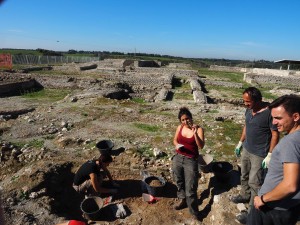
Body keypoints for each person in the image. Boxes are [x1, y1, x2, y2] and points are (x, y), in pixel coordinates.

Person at [248, 94, 300, 225]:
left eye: (278, 118)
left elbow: (290, 185)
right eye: (272, 118)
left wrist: (263, 199)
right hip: (289, 207)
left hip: (272, 208)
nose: (273, 122)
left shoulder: (290, 143)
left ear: (295, 117)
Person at [231, 87, 279, 224]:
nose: (245, 104)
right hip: (247, 149)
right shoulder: (249, 109)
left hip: (259, 154)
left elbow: (275, 134)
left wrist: (269, 154)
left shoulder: (269, 112)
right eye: (244, 101)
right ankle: (244, 195)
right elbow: (246, 125)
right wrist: (240, 142)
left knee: (255, 182)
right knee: (244, 174)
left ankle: (252, 212)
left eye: (248, 101)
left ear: (258, 100)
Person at [172, 107, 205, 221]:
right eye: (182, 120)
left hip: (191, 160)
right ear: (180, 121)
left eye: (187, 119)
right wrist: (177, 145)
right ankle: (182, 200)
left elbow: (201, 146)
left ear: (191, 118)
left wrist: (195, 133)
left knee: (191, 187)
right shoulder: (179, 127)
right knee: (179, 181)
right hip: (178, 158)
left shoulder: (199, 129)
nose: (185, 121)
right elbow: (175, 140)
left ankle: (194, 212)